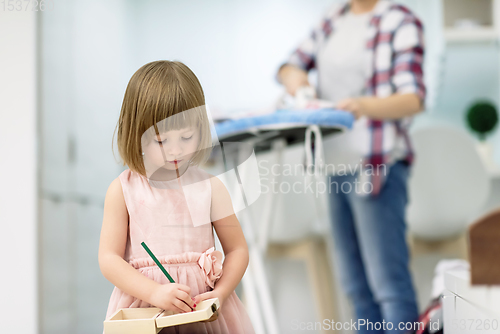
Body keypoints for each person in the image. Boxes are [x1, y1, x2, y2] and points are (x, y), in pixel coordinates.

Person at [278, 0, 425, 333]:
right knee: (356, 288)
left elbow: (413, 98)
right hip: (334, 165)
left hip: (376, 163)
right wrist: (299, 83)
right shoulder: (334, 18)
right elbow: (288, 66)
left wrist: (362, 105)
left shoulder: (399, 20)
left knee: (388, 285)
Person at [99, 60, 255, 333]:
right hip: (146, 312)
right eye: (161, 140)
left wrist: (221, 292)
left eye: (186, 137)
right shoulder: (122, 190)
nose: (175, 151)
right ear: (136, 134)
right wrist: (154, 293)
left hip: (202, 314)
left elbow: (238, 250)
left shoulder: (211, 187)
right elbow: (109, 259)